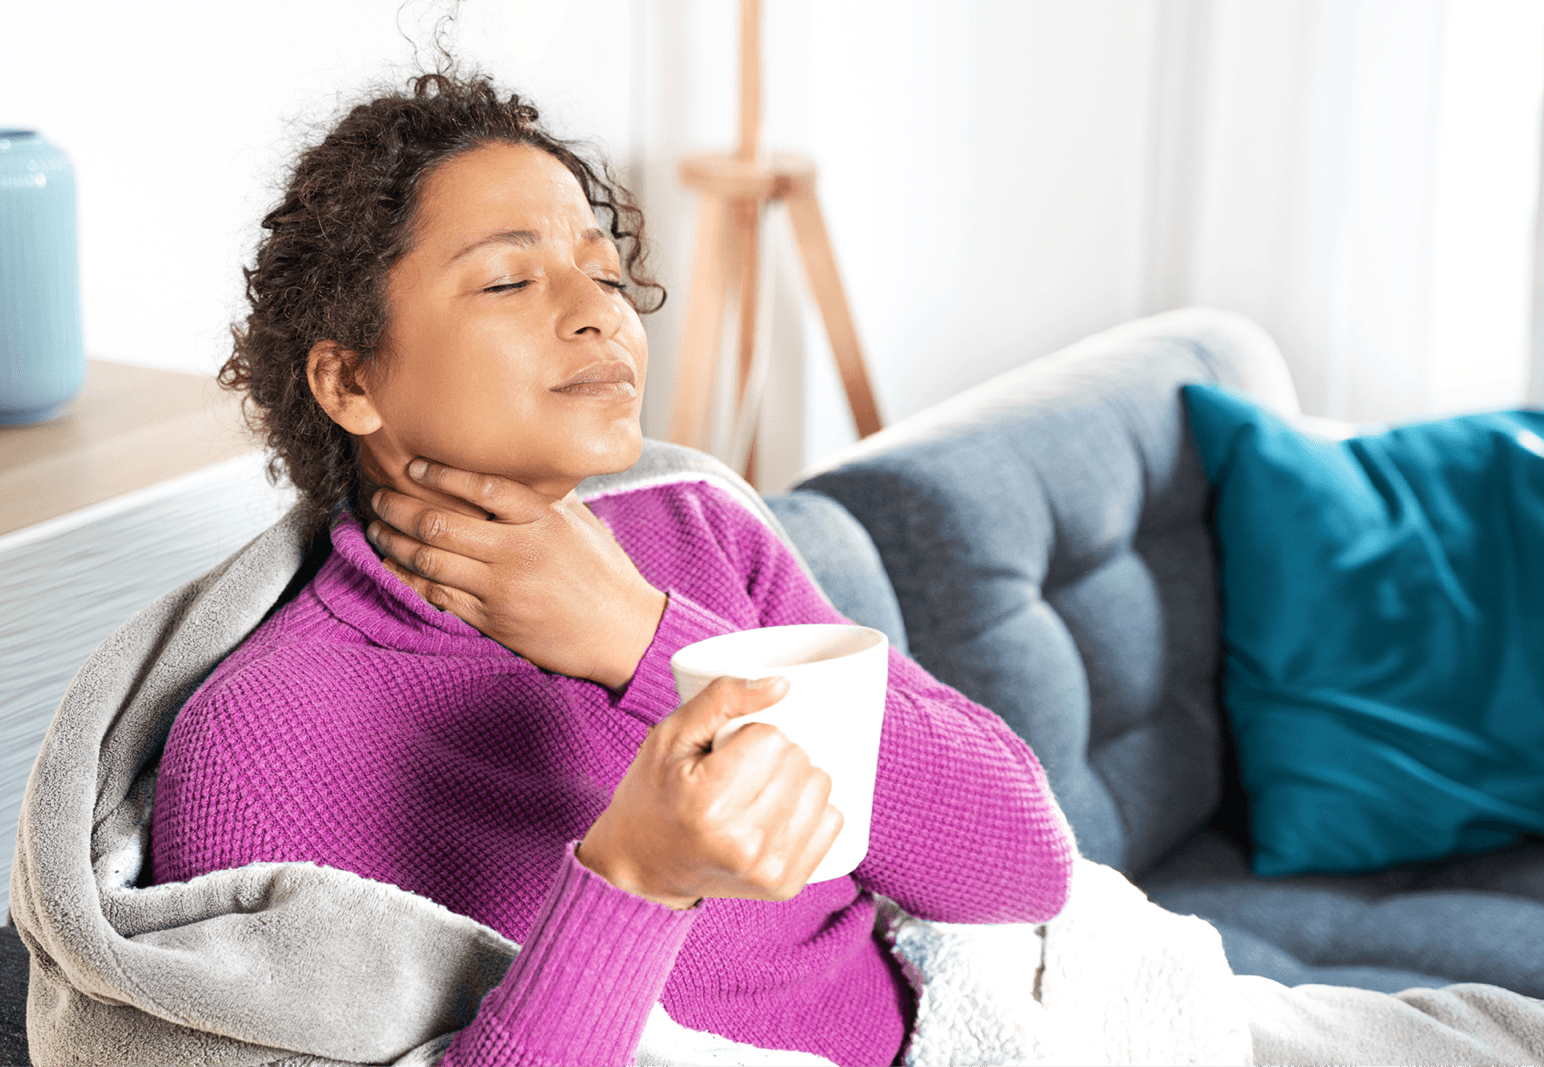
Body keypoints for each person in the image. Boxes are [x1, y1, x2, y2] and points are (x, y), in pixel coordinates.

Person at [146, 72, 1076, 1067]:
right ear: (350, 378)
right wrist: (635, 874)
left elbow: (1023, 864)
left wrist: (642, 635)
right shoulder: (260, 738)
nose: (599, 313)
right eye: (510, 278)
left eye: (606, 273)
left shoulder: (699, 536)